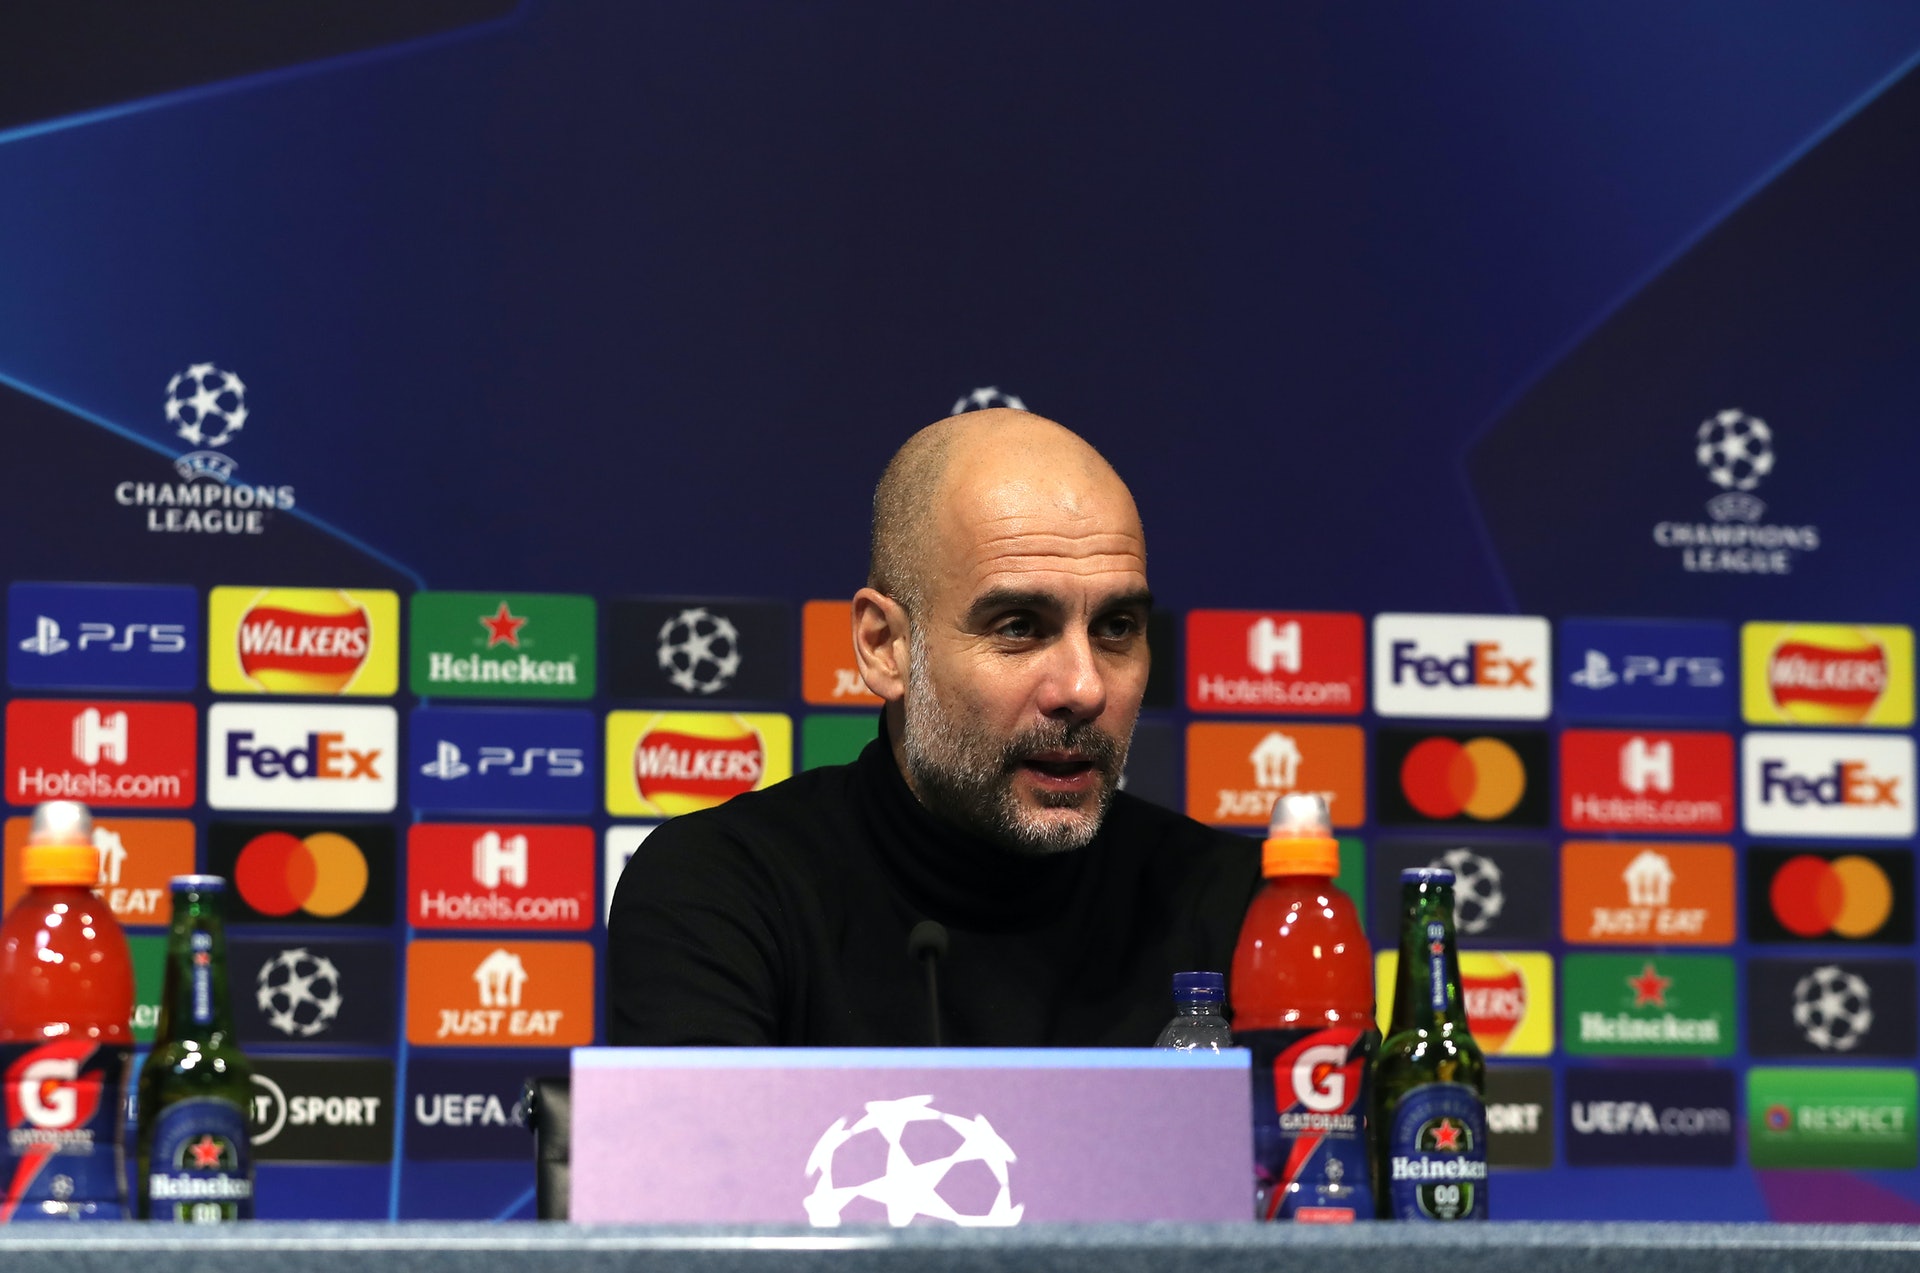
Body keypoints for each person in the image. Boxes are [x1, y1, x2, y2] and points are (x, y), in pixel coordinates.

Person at [606, 408, 1259, 1045]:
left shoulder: (1240, 907)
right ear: (884, 646)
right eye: (1018, 627)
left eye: (1116, 627)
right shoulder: (721, 891)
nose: (1084, 689)